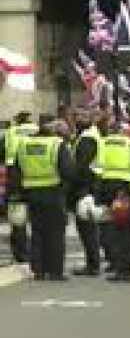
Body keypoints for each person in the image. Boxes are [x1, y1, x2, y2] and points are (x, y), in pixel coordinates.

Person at [9, 117, 75, 281]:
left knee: (37, 232)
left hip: (31, 194)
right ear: (52, 132)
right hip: (53, 193)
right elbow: (67, 171)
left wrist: (19, 193)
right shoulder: (57, 145)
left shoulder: (24, 145)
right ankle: (55, 271)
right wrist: (66, 189)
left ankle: (38, 270)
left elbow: (16, 171)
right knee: (55, 234)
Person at [100, 123, 130, 281]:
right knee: (123, 224)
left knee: (107, 222)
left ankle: (111, 258)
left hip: (106, 185)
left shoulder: (102, 142)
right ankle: (120, 259)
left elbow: (96, 164)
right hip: (124, 185)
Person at [70, 109, 105, 277]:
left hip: (86, 186)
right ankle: (93, 263)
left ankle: (93, 265)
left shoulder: (88, 138)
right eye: (77, 116)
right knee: (87, 226)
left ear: (90, 119)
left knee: (87, 227)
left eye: (83, 116)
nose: (79, 119)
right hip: (90, 185)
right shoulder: (87, 135)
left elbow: (81, 165)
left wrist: (76, 187)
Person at [4, 111, 38, 264]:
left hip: (15, 176)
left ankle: (20, 251)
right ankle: (36, 251)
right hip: (35, 175)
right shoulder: (37, 130)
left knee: (18, 217)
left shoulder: (11, 132)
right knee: (37, 218)